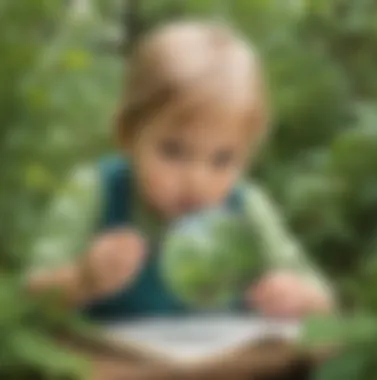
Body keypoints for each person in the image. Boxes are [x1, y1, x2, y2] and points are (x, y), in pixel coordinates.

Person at [27, 21, 334, 321]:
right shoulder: (97, 191)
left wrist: (299, 297)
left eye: (223, 159)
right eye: (173, 151)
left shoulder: (247, 207)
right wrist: (82, 280)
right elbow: (30, 299)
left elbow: (323, 301)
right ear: (127, 134)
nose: (196, 181)